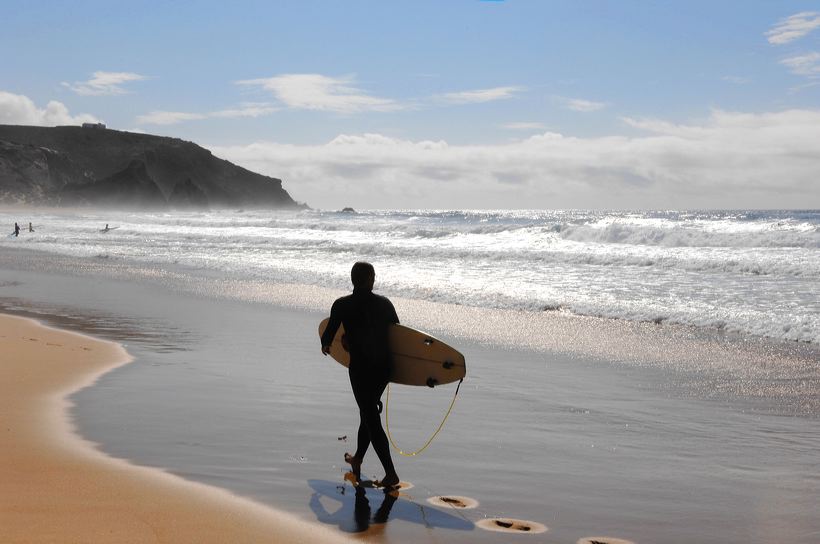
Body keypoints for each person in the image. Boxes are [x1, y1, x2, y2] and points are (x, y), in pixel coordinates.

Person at [321, 262, 400, 489]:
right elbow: (399, 337)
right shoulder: (385, 304)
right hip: (384, 368)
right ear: (371, 279)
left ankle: (391, 473)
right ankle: (357, 459)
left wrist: (341, 343)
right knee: (368, 413)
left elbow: (327, 341)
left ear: (353, 279)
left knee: (370, 417)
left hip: (361, 369)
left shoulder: (341, 305)